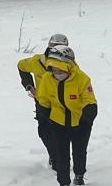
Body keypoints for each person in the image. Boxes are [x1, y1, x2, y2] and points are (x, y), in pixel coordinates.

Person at [30, 42, 97, 186]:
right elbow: (44, 99)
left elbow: (89, 100)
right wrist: (44, 114)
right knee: (61, 154)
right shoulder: (48, 79)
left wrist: (87, 117)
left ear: (68, 67)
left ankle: (79, 175)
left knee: (79, 151)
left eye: (59, 69)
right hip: (58, 121)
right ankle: (63, 183)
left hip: (79, 121)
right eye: (53, 69)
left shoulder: (82, 79)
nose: (56, 72)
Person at [18, 33, 72, 161]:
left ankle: (61, 160)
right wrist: (29, 86)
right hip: (42, 102)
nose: (58, 50)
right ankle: (54, 156)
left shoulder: (70, 63)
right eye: (55, 46)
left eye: (62, 47)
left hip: (62, 103)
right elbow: (21, 66)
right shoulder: (37, 62)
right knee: (44, 132)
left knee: (62, 132)